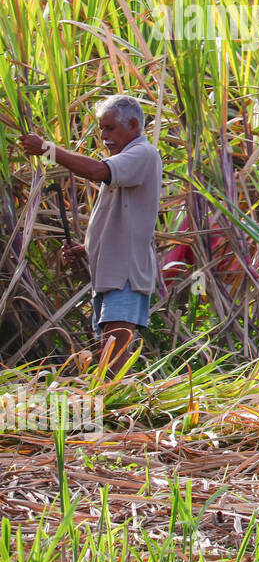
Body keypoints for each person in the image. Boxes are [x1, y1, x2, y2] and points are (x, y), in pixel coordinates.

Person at [17, 94, 163, 371]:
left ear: (133, 125)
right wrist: (87, 248)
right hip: (111, 275)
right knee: (107, 356)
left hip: (125, 275)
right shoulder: (125, 161)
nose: (104, 136)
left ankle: (117, 407)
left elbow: (96, 171)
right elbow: (124, 221)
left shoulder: (143, 154)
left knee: (112, 363)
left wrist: (47, 149)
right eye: (101, 129)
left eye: (110, 128)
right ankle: (113, 404)